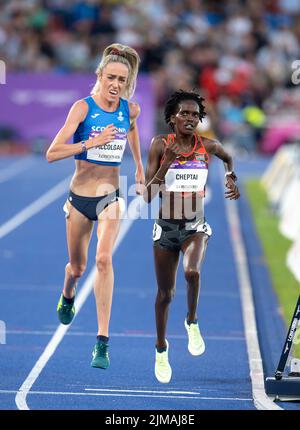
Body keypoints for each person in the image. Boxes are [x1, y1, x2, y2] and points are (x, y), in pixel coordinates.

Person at [46, 43, 145, 370]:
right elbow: (52, 152)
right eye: (111, 78)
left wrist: (141, 168)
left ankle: (102, 342)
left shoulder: (129, 109)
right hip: (79, 198)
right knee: (77, 267)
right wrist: (91, 142)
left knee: (104, 259)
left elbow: (131, 132)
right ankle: (68, 294)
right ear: (100, 76)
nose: (116, 84)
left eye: (122, 80)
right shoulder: (83, 109)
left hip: (109, 196)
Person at [143, 89, 240, 383]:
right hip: (165, 229)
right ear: (172, 117)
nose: (189, 118)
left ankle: (192, 321)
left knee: (193, 272)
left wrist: (230, 176)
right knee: (165, 294)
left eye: (195, 115)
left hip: (195, 225)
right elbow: (148, 195)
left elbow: (228, 156)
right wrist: (165, 165)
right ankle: (161, 349)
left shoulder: (207, 146)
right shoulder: (160, 145)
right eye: (184, 113)